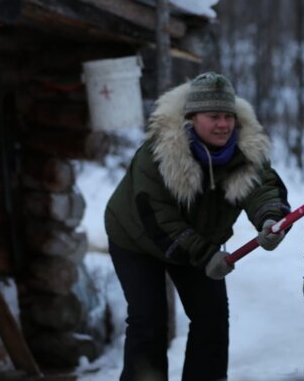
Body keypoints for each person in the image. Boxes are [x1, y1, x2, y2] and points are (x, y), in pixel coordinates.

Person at [105, 72, 290, 381]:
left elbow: (261, 189)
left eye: (228, 116)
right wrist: (206, 256)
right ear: (191, 118)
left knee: (212, 317)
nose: (223, 124)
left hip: (198, 239)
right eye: (213, 116)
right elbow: (160, 221)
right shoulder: (159, 154)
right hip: (136, 238)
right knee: (148, 321)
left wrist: (270, 218)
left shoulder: (247, 149)